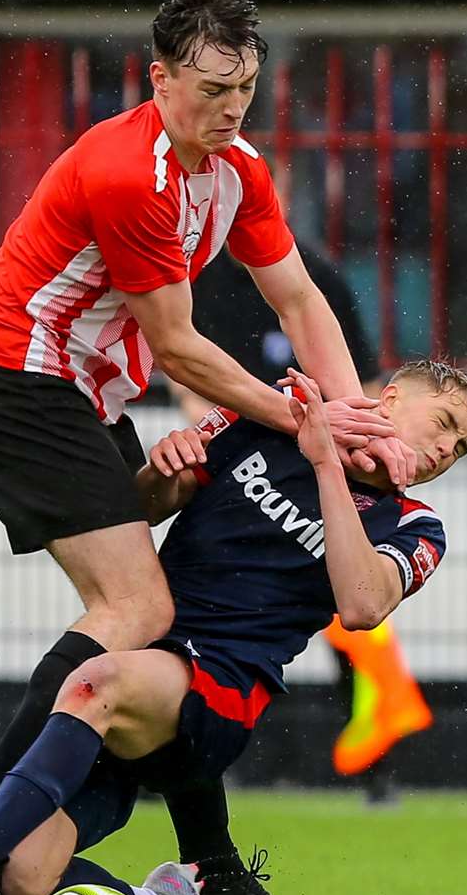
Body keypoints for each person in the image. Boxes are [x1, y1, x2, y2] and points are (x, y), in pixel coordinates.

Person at [0, 0, 416, 895]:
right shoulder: (128, 172)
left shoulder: (238, 170)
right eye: (210, 90)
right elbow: (183, 349)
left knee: (164, 613)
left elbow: (301, 301)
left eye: (245, 91)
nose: (230, 111)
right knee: (141, 613)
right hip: (16, 380)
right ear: (158, 78)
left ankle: (184, 882)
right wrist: (303, 422)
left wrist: (352, 412)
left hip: (84, 393)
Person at [0, 361, 467, 895]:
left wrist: (326, 465)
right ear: (388, 399)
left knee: (95, 681)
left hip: (220, 694)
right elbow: (142, 511)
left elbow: (363, 605)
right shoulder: (263, 423)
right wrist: (164, 472)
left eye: (459, 448)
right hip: (145, 672)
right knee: (25, 880)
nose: (446, 450)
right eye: (445, 423)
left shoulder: (415, 525)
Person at [185, 245, 435, 792]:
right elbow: (180, 361)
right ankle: (204, 759)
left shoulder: (317, 276)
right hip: (251, 446)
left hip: (330, 462)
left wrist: (356, 456)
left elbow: (362, 383)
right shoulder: (199, 276)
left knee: (358, 627)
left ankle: (376, 762)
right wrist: (207, 433)